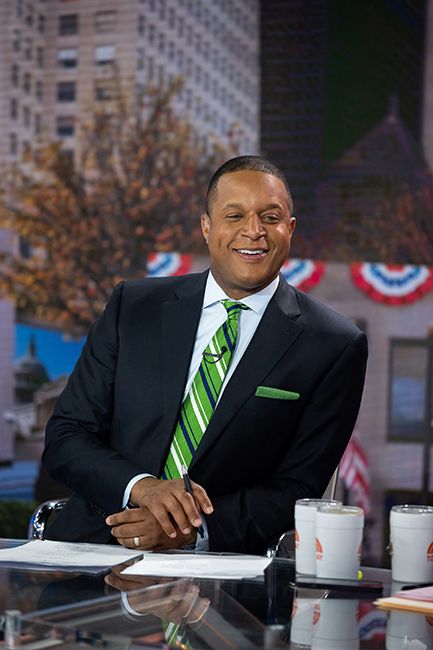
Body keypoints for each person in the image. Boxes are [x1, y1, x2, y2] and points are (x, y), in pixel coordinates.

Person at [43, 155, 368, 555]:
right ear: (206, 226)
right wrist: (142, 489)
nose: (254, 232)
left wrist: (190, 530)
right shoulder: (134, 306)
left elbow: (299, 488)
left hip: (219, 574)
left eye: (270, 217)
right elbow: (66, 437)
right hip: (94, 545)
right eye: (235, 216)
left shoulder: (333, 344)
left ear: (290, 229)